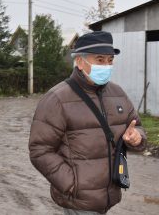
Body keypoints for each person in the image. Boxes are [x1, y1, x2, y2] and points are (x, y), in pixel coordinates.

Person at [29, 31, 147, 215]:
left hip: (108, 196)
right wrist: (72, 184)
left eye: (110, 60)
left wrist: (137, 138)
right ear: (79, 61)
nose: (106, 66)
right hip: (77, 202)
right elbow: (39, 150)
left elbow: (136, 126)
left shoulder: (117, 93)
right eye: (99, 60)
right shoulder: (57, 98)